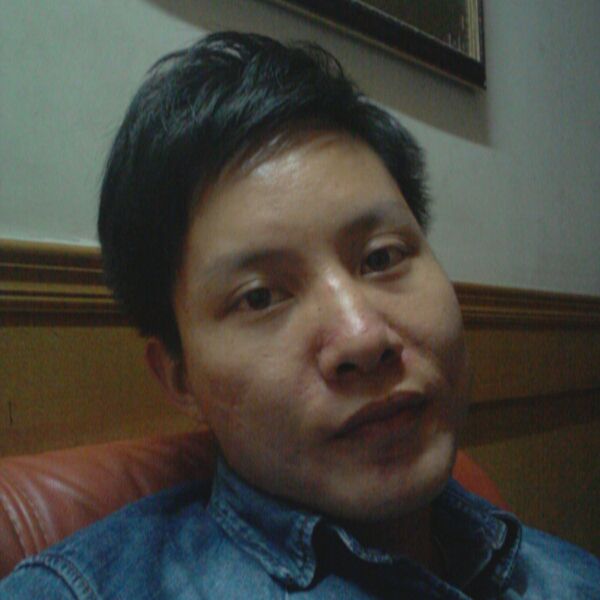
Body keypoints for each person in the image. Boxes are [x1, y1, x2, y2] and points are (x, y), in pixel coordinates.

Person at [1, 32, 597, 599]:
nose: (363, 337)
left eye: (382, 257)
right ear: (181, 378)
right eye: (261, 297)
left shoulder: (571, 574)